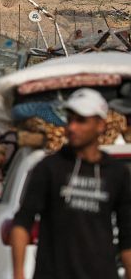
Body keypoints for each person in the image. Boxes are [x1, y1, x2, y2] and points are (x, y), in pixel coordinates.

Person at [10, 88, 131, 279]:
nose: (72, 127)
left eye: (81, 120)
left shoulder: (116, 173)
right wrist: (18, 274)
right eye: (70, 119)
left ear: (100, 125)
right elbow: (22, 223)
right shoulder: (49, 168)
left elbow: (127, 238)